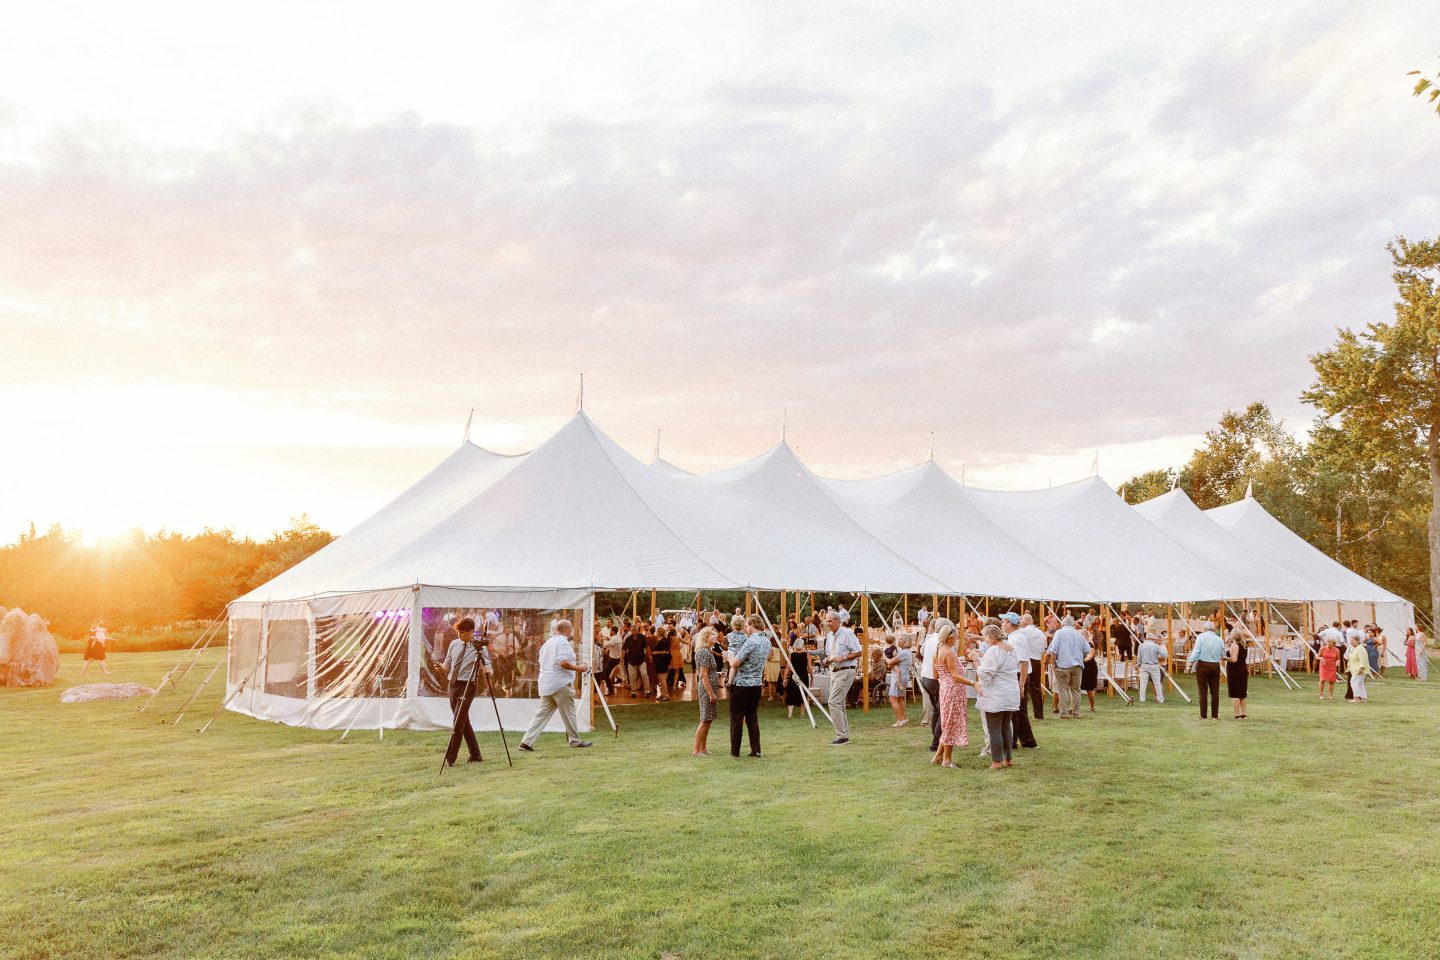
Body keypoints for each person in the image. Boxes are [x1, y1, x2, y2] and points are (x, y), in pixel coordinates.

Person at [517, 619, 593, 752]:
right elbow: (562, 662)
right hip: (560, 683)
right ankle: (575, 741)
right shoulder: (563, 642)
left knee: (541, 715)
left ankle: (526, 742)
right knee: (569, 713)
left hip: (546, 683)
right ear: (568, 630)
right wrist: (579, 668)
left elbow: (543, 661)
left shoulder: (548, 643)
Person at [438, 617, 493, 767]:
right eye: (458, 633)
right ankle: (476, 755)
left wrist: (487, 670)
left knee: (457, 721)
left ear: (471, 632)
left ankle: (450, 758)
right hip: (453, 684)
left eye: (462, 633)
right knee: (463, 721)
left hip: (468, 685)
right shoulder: (454, 644)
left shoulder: (479, 647)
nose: (459, 635)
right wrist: (440, 667)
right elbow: (448, 663)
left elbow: (487, 665)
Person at [931, 619, 976, 768]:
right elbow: (955, 675)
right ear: (950, 638)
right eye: (956, 637)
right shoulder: (948, 652)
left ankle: (938, 756)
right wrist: (972, 683)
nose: (957, 640)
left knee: (947, 722)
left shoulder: (936, 650)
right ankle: (947, 759)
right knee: (950, 724)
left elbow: (936, 675)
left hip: (944, 688)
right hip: (953, 690)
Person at [976, 624, 1021, 770]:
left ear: (992, 637)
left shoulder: (994, 650)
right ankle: (1007, 759)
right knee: (1006, 726)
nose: (986, 641)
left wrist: (976, 660)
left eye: (987, 637)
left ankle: (996, 761)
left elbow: (985, 673)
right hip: (1009, 693)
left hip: (996, 695)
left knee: (994, 728)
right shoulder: (1011, 648)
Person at [726, 615, 771, 757]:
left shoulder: (750, 641)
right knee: (752, 717)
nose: (745, 628)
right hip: (756, 684)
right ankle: (756, 749)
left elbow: (735, 662)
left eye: (747, 625)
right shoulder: (766, 641)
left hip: (741, 685)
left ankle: (735, 751)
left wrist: (728, 657)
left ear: (752, 624)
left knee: (736, 719)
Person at [998, 614, 1037, 748]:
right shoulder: (1013, 637)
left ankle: (1020, 741)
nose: (1001, 623)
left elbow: (1024, 663)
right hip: (1016, 675)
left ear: (1009, 623)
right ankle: (1024, 741)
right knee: (1016, 710)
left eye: (1003, 621)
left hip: (1019, 675)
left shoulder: (1018, 639)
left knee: (1018, 709)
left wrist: (1021, 685)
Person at [822, 612, 861, 744]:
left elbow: (859, 651)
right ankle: (844, 735)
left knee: (833, 701)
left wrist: (843, 657)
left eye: (831, 621)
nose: (828, 624)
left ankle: (842, 736)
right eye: (827, 621)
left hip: (846, 670)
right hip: (834, 670)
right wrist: (827, 659)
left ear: (838, 621)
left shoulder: (847, 634)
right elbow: (830, 653)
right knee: (839, 703)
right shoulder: (829, 636)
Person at [1045, 616, 1090, 719]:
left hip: (1062, 665)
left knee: (1063, 690)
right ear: (1073, 624)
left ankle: (1064, 713)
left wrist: (1053, 663)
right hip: (1077, 666)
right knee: (1076, 690)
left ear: (1063, 624)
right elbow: (1087, 649)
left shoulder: (1059, 633)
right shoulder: (1079, 634)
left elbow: (1053, 649)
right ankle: (1076, 712)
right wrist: (1081, 657)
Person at [1012, 613, 1047, 721]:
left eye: (1021, 621)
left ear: (1025, 622)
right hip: (1037, 660)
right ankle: (1039, 714)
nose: (1020, 623)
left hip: (1026, 661)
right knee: (1036, 688)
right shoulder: (1041, 633)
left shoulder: (1022, 632)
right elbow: (1044, 648)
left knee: (1024, 687)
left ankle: (1023, 714)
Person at [1187, 623, 1225, 719]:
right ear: (1213, 629)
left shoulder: (1201, 637)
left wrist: (1190, 664)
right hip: (1215, 665)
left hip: (1203, 665)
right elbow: (1222, 654)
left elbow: (1196, 652)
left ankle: (1203, 715)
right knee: (1215, 692)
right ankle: (1214, 716)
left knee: (1203, 690)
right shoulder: (1219, 639)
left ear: (1204, 628)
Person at [692, 626, 720, 755]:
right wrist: (710, 693)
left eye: (715, 634)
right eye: (712, 635)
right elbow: (703, 674)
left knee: (708, 719)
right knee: (704, 720)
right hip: (706, 690)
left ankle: (703, 748)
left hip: (710, 688)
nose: (716, 636)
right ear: (705, 637)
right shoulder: (703, 652)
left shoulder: (708, 651)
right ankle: (696, 750)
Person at [918, 620, 943, 752]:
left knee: (936, 711)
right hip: (935, 678)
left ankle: (936, 741)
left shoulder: (930, 638)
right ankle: (936, 743)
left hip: (925, 676)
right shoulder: (940, 640)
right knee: (941, 711)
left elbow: (921, 653)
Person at [884, 635, 914, 726]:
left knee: (892, 699)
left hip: (898, 678)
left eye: (900, 639)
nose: (898, 641)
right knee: (899, 699)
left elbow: (889, 662)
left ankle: (899, 720)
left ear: (905, 642)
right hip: (903, 676)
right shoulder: (907, 652)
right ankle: (904, 718)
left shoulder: (903, 653)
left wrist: (884, 656)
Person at [784, 628, 811, 719]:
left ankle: (790, 714)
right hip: (803, 675)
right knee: (803, 695)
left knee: (791, 694)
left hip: (794, 676)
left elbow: (788, 667)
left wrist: (785, 678)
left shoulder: (792, 654)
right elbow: (810, 667)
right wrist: (812, 677)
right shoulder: (806, 654)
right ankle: (802, 714)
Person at [1225, 629, 1249, 719]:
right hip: (1243, 669)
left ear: (1233, 636)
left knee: (1235, 693)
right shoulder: (1244, 645)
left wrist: (1224, 657)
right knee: (1242, 693)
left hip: (1235, 671)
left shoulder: (1235, 645)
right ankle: (1243, 713)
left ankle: (1237, 714)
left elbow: (1234, 659)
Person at [1136, 631, 1166, 703]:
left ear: (1146, 638)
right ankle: (1160, 699)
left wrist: (1139, 664)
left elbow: (1139, 657)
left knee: (1143, 683)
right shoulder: (1156, 646)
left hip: (1144, 665)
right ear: (1153, 639)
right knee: (1157, 683)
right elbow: (1164, 654)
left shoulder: (1141, 645)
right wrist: (1158, 656)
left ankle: (1142, 699)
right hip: (1154, 665)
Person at [622, 625, 649, 699]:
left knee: (644, 674)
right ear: (631, 631)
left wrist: (649, 656)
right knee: (632, 677)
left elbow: (647, 647)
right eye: (633, 630)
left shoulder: (642, 637)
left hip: (641, 660)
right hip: (631, 661)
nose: (635, 632)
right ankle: (633, 692)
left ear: (638, 630)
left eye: (636, 630)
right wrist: (621, 658)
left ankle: (647, 691)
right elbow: (624, 649)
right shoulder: (628, 639)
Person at [1345, 633, 1369, 703]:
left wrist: (1361, 668)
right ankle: (1363, 699)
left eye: (1353, 640)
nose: (1351, 642)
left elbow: (1363, 659)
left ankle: (1356, 698)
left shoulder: (1360, 648)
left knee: (1353, 682)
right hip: (1354, 670)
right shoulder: (1354, 649)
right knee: (1360, 684)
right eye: (1351, 640)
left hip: (1359, 670)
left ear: (1358, 641)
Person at [1316, 633, 1340, 699]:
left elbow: (1338, 659)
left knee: (1331, 681)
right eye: (1328, 642)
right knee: (1322, 680)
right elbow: (1317, 657)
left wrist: (1338, 661)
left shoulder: (1337, 650)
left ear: (1334, 643)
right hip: (1323, 665)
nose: (1328, 643)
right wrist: (1321, 658)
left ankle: (1330, 695)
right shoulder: (1323, 648)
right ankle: (1321, 695)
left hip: (1332, 666)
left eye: (1330, 642)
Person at [651, 629, 672, 701]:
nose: (656, 633)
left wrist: (656, 652)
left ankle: (666, 695)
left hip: (663, 661)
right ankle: (663, 694)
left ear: (659, 633)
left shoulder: (664, 641)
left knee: (662, 679)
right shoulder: (662, 640)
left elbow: (666, 652)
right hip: (661, 661)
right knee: (662, 679)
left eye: (657, 632)